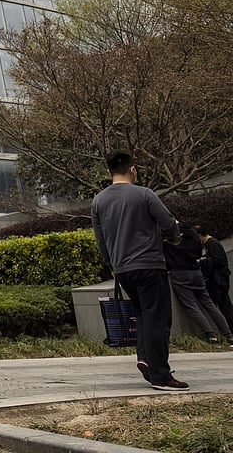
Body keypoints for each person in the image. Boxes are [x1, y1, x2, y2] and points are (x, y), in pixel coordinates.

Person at [91, 152, 188, 391]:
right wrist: (175, 237)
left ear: (108, 172)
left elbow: (101, 239)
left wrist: (111, 264)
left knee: (144, 313)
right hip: (149, 264)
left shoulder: (98, 201)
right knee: (158, 317)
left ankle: (144, 358)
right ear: (133, 169)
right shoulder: (144, 194)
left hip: (122, 268)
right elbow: (167, 223)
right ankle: (161, 375)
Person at [163, 222, 233, 345]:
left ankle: (211, 335)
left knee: (191, 306)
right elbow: (198, 253)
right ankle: (227, 333)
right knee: (209, 303)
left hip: (179, 273)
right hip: (196, 272)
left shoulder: (168, 237)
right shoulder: (193, 234)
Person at [197, 223, 233, 332]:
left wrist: (202, 261)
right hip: (219, 279)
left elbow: (218, 260)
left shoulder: (212, 244)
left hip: (219, 280)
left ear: (200, 235)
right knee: (225, 306)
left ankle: (229, 330)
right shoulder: (211, 244)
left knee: (225, 306)